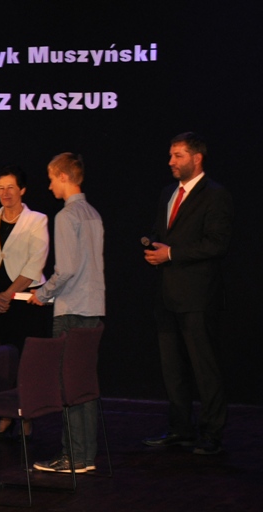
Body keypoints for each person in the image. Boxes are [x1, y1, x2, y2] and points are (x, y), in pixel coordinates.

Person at [142, 132, 233, 456]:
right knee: (173, 368)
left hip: (197, 297)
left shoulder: (215, 195)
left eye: (178, 155)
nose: (171, 162)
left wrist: (170, 253)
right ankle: (180, 429)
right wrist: (154, 247)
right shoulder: (168, 192)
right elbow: (163, 232)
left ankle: (212, 432)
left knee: (204, 368)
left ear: (197, 158)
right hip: (167, 295)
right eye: (171, 155)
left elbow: (217, 243)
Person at [27, 152, 105, 474]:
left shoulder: (67, 215)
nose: (49, 186)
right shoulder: (93, 214)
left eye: (50, 179)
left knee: (68, 387)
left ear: (62, 176)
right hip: (93, 310)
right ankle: (85, 456)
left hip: (71, 310)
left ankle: (72, 456)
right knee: (84, 386)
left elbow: (67, 269)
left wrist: (42, 294)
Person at [0, 165, 52, 439]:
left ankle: (25, 415)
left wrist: (6, 295)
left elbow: (35, 264)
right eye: (0, 188)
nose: (5, 193)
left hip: (23, 300)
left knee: (24, 361)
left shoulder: (37, 220)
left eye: (10, 187)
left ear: (22, 190)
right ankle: (2, 413)